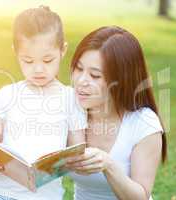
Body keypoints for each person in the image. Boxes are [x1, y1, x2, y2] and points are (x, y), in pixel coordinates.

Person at [0, 6, 87, 200]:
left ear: (63, 50)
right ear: (16, 53)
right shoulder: (7, 94)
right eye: (28, 60)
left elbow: (78, 152)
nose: (38, 69)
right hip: (1, 194)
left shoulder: (71, 99)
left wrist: (71, 162)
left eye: (48, 60)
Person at [65, 26, 167, 200]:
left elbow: (140, 196)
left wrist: (108, 165)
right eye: (79, 69)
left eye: (95, 75)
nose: (81, 81)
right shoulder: (66, 104)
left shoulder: (144, 123)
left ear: (121, 80)